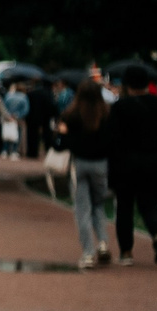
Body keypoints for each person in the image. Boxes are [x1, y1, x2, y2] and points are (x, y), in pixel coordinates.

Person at [107, 68, 157, 265]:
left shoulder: (119, 107)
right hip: (151, 159)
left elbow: (112, 136)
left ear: (127, 85)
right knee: (151, 202)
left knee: (125, 206)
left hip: (125, 161)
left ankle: (126, 252)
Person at [58, 85, 113, 268]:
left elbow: (61, 144)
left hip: (79, 163)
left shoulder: (71, 115)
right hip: (101, 164)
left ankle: (88, 253)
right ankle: (103, 242)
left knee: (82, 210)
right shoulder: (106, 114)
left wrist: (62, 134)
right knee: (98, 204)